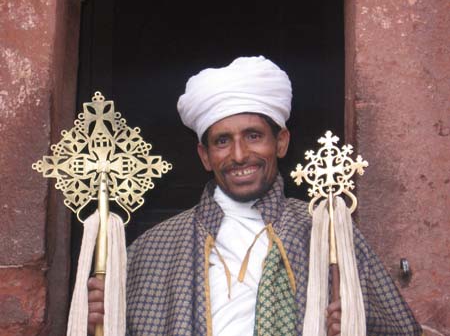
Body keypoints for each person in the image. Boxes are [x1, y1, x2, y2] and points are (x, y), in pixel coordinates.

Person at [87, 56, 422, 335]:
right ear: (204, 155)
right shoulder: (154, 247)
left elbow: (399, 328)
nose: (238, 155)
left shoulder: (327, 231)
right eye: (222, 141)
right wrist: (104, 321)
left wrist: (354, 323)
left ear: (281, 142)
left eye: (253, 136)